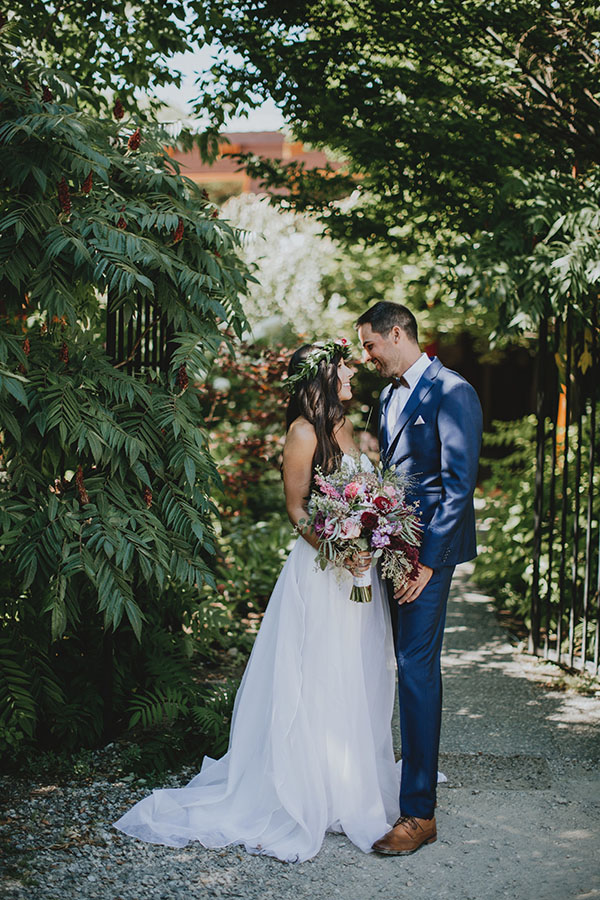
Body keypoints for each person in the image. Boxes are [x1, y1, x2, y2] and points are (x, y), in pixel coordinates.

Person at [113, 339, 403, 863]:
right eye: (342, 369)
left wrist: (370, 539)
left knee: (355, 671)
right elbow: (297, 509)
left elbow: (366, 494)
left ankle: (348, 781)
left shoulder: (348, 427)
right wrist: (338, 551)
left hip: (358, 570)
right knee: (314, 673)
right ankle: (305, 785)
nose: (351, 375)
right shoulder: (302, 432)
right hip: (321, 570)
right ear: (322, 376)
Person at [356, 301, 483, 856]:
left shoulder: (454, 391)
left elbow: (458, 486)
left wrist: (429, 561)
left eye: (371, 345)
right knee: (387, 662)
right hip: (390, 547)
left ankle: (419, 814)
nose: (367, 357)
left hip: (427, 555)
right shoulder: (387, 395)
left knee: (415, 668)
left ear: (397, 333)